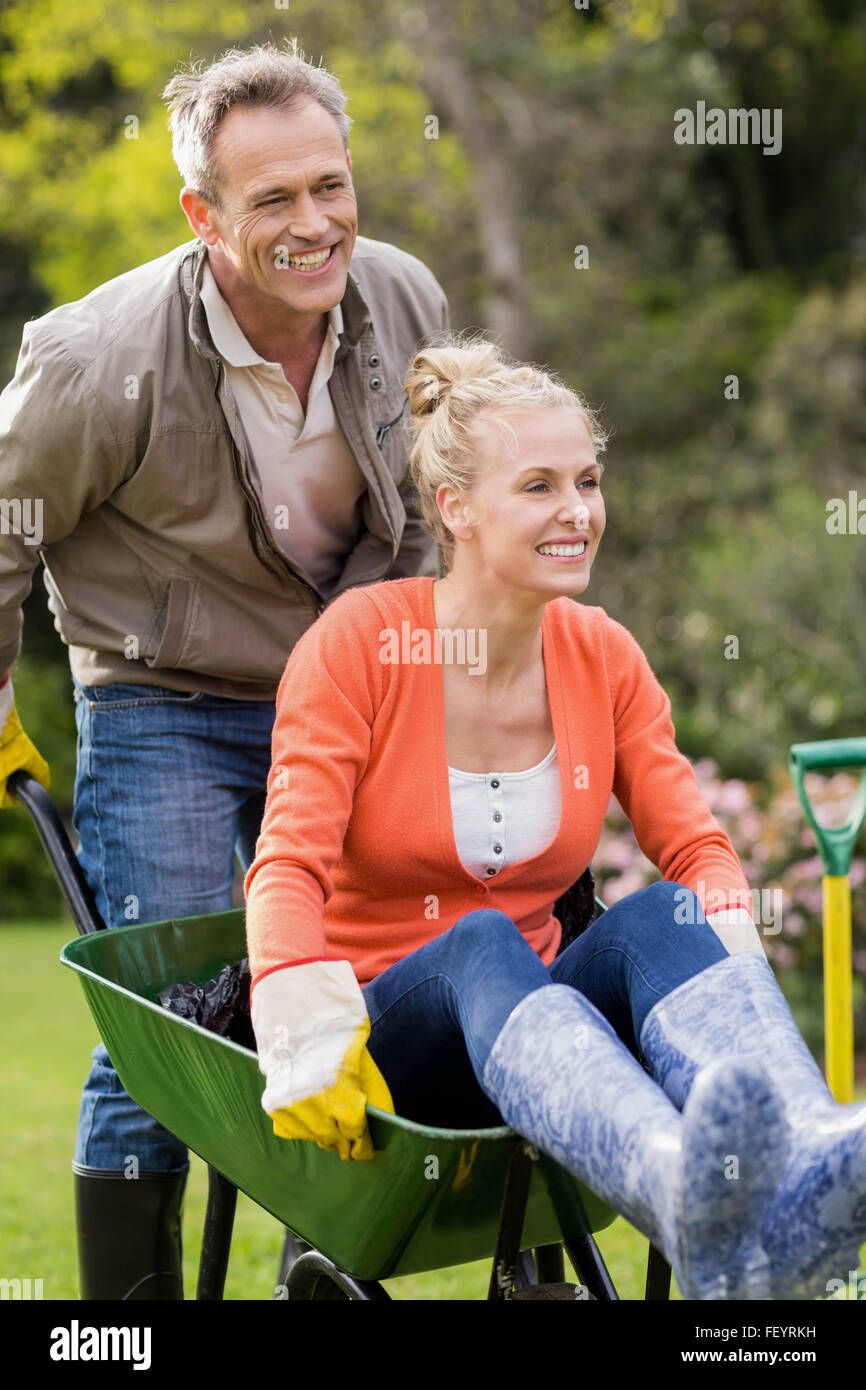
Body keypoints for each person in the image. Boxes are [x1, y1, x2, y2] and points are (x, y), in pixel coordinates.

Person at [245, 334, 866, 1301]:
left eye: (588, 480)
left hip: (540, 1044)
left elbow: (696, 847)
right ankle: (676, 1181)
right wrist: (297, 1025)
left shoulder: (600, 654)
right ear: (455, 508)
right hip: (387, 1047)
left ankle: (803, 1152)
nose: (578, 511)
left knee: (667, 913)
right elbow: (287, 867)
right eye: (539, 487)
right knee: (481, 937)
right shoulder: (360, 646)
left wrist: (727, 964)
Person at [0, 38, 450, 1299]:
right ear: (203, 214)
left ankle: (324, 1265)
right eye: (272, 200)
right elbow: (2, 522)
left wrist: (390, 669)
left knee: (343, 982)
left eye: (331, 185)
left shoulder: (402, 299)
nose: (314, 224)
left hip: (342, 689)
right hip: (164, 699)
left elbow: (427, 504)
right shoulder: (99, 355)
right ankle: (123, 1327)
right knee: (174, 1021)